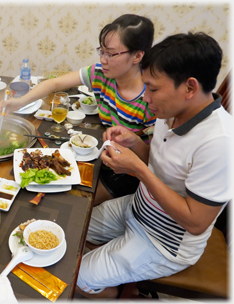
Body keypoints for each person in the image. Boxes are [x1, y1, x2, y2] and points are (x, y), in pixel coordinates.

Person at [77, 32, 233, 298]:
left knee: (75, 278)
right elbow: (161, 163)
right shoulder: (170, 111)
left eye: (153, 89)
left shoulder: (219, 142)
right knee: (70, 226)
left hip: (165, 241)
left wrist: (138, 170)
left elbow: (196, 222)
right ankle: (119, 272)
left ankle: (126, 295)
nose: (146, 98)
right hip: (137, 209)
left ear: (190, 88)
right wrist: (135, 143)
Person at [0, 14, 156, 205]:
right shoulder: (100, 74)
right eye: (102, 51)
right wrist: (19, 102)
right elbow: (55, 83)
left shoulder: (151, 98)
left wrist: (134, 143)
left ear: (137, 56)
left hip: (127, 174)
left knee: (72, 204)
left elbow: (154, 160)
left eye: (111, 54)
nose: (103, 60)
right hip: (101, 158)